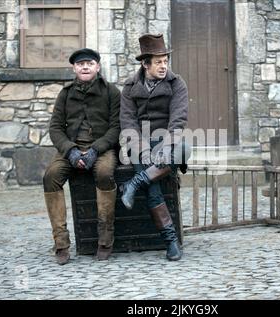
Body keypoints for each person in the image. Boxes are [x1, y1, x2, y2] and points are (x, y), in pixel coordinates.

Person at [43, 48, 120, 265]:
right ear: (74, 68)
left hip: (102, 148)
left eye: (89, 63)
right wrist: (71, 150)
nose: (85, 67)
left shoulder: (111, 92)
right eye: (80, 64)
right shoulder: (65, 93)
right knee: (51, 176)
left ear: (97, 67)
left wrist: (95, 149)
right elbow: (55, 128)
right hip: (70, 148)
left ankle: (105, 239)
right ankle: (61, 243)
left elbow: (116, 127)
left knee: (105, 173)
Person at [120, 34, 191, 261]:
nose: (163, 66)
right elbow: (128, 123)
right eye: (158, 62)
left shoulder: (177, 83)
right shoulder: (130, 87)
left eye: (165, 61)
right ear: (145, 63)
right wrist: (143, 150)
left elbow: (178, 120)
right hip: (139, 142)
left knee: (184, 148)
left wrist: (166, 147)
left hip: (168, 140)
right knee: (153, 184)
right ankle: (170, 241)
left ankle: (133, 184)